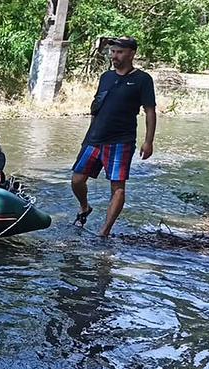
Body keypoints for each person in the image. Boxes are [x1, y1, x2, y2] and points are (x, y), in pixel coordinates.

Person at [71, 36, 156, 237]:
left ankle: (104, 231)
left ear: (131, 53)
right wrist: (88, 135)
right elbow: (96, 106)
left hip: (121, 140)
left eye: (119, 52)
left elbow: (150, 111)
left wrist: (148, 141)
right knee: (77, 179)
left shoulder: (143, 79)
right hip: (95, 138)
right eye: (112, 52)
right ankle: (85, 207)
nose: (114, 56)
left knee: (117, 187)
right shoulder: (106, 77)